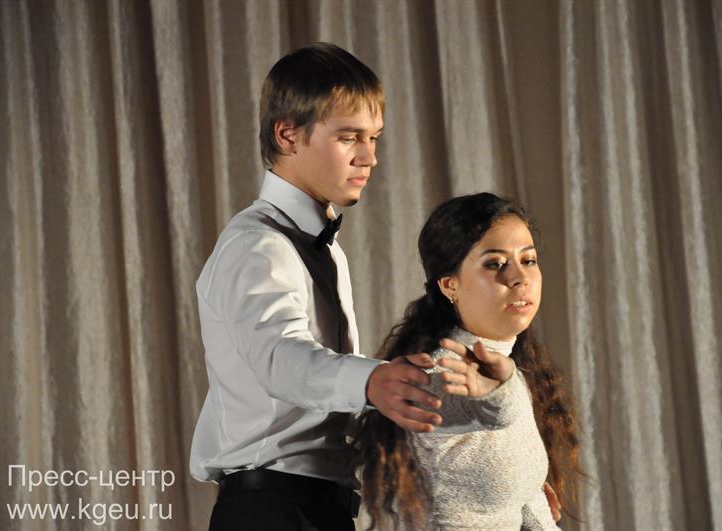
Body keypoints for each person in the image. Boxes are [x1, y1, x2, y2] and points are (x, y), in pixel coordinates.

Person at [189, 42, 445, 531]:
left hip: (312, 507)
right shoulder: (258, 243)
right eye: (349, 137)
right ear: (288, 135)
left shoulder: (318, 244)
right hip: (274, 511)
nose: (369, 157)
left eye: (374, 138)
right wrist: (372, 381)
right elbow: (279, 356)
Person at [351, 193, 582, 530]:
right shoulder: (440, 372)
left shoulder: (509, 370)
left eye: (529, 260)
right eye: (495, 264)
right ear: (450, 285)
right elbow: (474, 407)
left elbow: (529, 506)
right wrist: (495, 394)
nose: (520, 277)